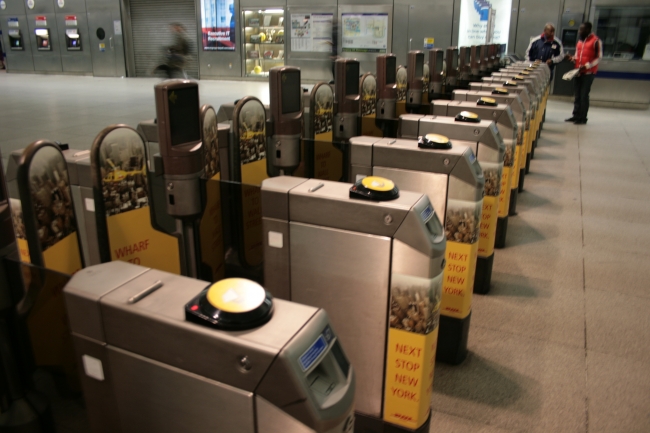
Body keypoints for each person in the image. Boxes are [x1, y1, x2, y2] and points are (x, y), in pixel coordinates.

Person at [566, 22, 602, 125]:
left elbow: (599, 57)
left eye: (582, 29)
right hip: (578, 72)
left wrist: (587, 66)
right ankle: (576, 115)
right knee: (577, 95)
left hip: (588, 73)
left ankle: (583, 117)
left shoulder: (596, 41)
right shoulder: (580, 41)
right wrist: (572, 59)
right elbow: (577, 56)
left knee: (583, 95)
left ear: (588, 29)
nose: (579, 31)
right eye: (579, 29)